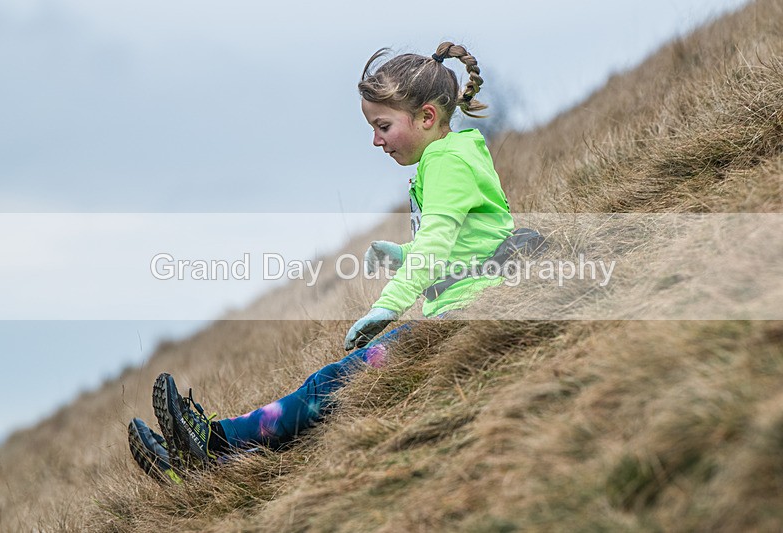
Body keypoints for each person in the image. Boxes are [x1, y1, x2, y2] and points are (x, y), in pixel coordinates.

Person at [129, 41, 515, 482]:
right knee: (330, 382)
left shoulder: (447, 161)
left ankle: (215, 445)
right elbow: (464, 243)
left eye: (383, 125)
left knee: (329, 383)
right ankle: (196, 461)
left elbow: (438, 239)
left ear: (427, 117)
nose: (375, 140)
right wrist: (402, 255)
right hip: (467, 305)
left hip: (468, 311)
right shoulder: (448, 157)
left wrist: (388, 305)